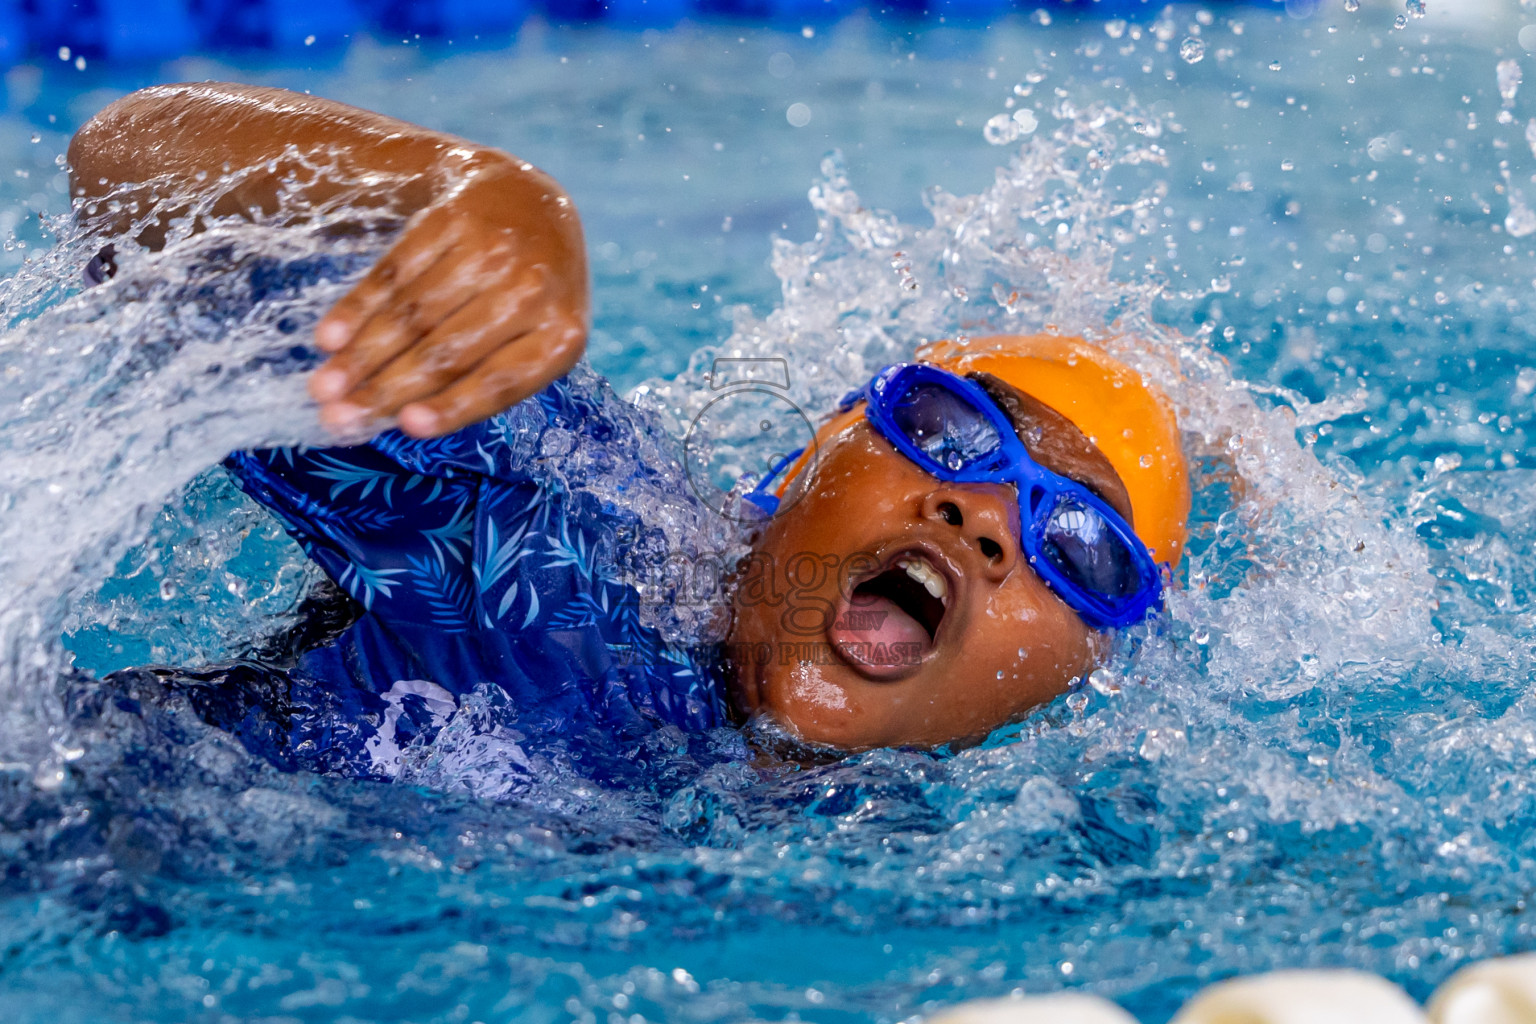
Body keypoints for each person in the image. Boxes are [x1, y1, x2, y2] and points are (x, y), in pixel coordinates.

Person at [67, 83, 1190, 779]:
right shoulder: (570, 544)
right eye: (953, 431)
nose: (985, 513)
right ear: (811, 459)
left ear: (1076, 674)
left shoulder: (1009, 862)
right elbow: (126, 175)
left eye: (1079, 549)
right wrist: (461, 194)